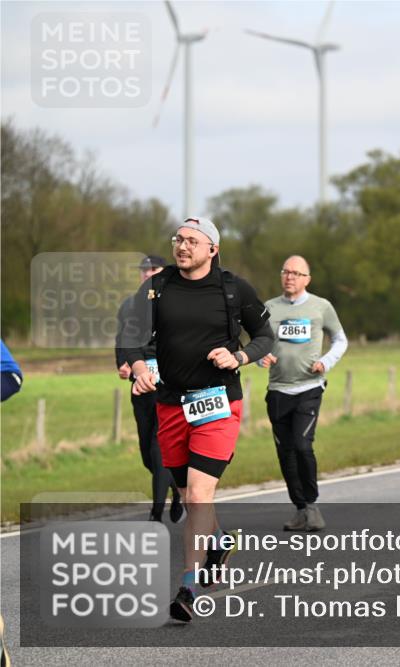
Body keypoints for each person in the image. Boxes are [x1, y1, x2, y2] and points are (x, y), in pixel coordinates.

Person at [122, 217, 274, 623]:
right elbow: (131, 336)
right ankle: (219, 540)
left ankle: (187, 584)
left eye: (192, 241)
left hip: (218, 403)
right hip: (170, 404)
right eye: (178, 239)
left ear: (213, 249)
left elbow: (265, 336)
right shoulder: (157, 286)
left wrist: (239, 356)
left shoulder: (233, 288)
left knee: (198, 495)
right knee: (187, 490)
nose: (182, 246)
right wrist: (138, 368)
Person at [261, 255, 348, 532]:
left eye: (297, 273)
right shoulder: (269, 308)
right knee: (285, 452)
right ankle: (299, 509)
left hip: (308, 388)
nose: (290, 277)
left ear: (307, 279)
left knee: (301, 444)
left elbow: (340, 339)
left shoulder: (321, 307)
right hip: (277, 390)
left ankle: (312, 506)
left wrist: (326, 361)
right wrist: (260, 357)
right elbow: (257, 342)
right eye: (286, 272)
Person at [115, 255, 183, 523]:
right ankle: (177, 490)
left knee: (158, 444)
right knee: (147, 450)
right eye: (143, 270)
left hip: (166, 380)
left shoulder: (174, 301)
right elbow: (122, 337)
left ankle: (156, 513)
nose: (146, 273)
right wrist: (122, 363)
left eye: (152, 269)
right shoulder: (130, 305)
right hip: (139, 379)